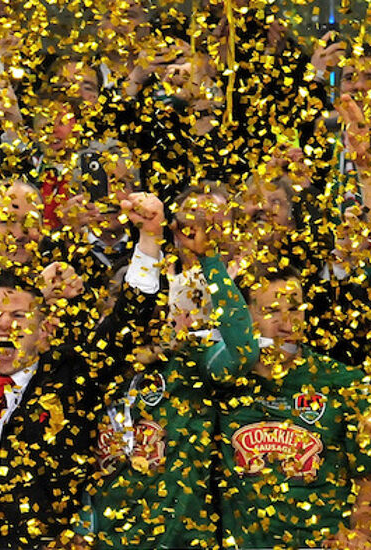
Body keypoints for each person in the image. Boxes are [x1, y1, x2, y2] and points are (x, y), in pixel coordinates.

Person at [0, 191, 165, 548]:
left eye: (20, 316)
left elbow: (126, 322)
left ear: (44, 329)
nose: (4, 325)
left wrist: (149, 236)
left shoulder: (72, 377)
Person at [84, 188, 258, 548]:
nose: (137, 319)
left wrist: (208, 257)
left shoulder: (190, 365)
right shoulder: (91, 373)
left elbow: (242, 350)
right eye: (117, 308)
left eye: (150, 308)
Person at [216, 263, 371, 548]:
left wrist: (361, 534)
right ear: (242, 317)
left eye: (295, 309)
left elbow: (367, 477)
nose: (289, 324)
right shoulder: (220, 382)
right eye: (272, 312)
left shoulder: (343, 382)